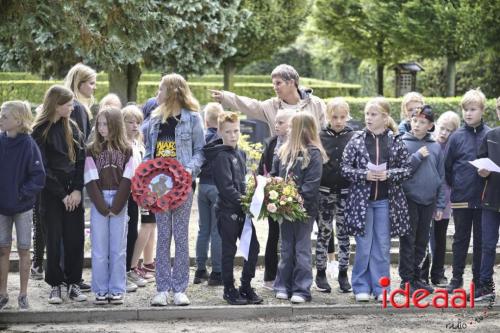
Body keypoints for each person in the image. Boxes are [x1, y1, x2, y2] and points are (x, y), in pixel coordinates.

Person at [341, 97, 411, 302]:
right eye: (367, 114)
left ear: (385, 117)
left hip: (386, 202)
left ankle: (382, 289)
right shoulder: (356, 139)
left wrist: (390, 174)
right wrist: (364, 175)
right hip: (362, 204)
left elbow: (407, 169)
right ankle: (361, 286)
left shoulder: (396, 140)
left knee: (382, 246)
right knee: (363, 246)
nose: (368, 118)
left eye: (373, 115)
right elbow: (344, 168)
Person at [144, 74, 205, 307]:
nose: (157, 94)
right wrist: (147, 179)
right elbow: (150, 153)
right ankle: (162, 288)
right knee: (162, 237)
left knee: (180, 236)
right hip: (159, 187)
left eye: (160, 90)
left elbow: (201, 150)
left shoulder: (193, 119)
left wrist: (188, 171)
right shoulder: (154, 119)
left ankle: (180, 288)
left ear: (173, 92)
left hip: (183, 187)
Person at [31, 85, 87, 304]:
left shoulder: (72, 127)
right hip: (51, 194)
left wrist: (76, 190)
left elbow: (81, 161)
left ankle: (74, 282)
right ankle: (55, 284)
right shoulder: (40, 131)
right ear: (56, 104)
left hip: (72, 192)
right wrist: (62, 194)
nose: (73, 107)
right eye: (69, 103)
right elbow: (42, 167)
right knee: (53, 239)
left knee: (75, 238)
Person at [204, 111, 261, 305]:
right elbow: (227, 188)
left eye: (236, 131)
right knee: (229, 251)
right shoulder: (220, 157)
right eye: (228, 132)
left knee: (253, 248)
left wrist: (254, 196)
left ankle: (246, 286)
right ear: (220, 132)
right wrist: (246, 203)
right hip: (228, 211)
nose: (233, 135)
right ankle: (229, 288)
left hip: (243, 210)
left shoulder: (240, 153)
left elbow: (242, 183)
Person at [272, 112, 326, 304]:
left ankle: (302, 289)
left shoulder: (313, 153)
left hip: (303, 210)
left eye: (292, 126)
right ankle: (282, 285)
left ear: (302, 129)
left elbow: (311, 187)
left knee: (302, 250)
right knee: (286, 248)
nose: (288, 129)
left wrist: (292, 198)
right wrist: (275, 189)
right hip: (284, 210)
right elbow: (274, 174)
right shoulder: (283, 151)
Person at [84, 107, 135, 305]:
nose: (101, 128)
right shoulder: (91, 149)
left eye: (105, 124)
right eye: (99, 124)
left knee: (118, 248)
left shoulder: (127, 149)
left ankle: (116, 288)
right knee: (99, 248)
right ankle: (100, 289)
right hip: (99, 199)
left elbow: (128, 178)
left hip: (119, 200)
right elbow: (90, 178)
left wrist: (117, 204)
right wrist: (102, 206)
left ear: (115, 125)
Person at [0, 101, 45, 310]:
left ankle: (23, 294)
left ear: (18, 120)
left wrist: (20, 195)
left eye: (4, 116)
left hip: (22, 207)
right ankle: (2, 293)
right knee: (3, 249)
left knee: (24, 249)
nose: (1, 119)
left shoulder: (28, 144)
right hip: (1, 207)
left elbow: (38, 176)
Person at [444, 88, 491, 292]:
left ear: (482, 111)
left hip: (483, 198)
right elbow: (448, 168)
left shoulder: (491, 135)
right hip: (462, 197)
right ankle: (456, 279)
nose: (468, 113)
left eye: (473, 109)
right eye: (465, 109)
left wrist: (487, 174)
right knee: (460, 239)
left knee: (481, 241)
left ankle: (479, 281)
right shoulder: (456, 137)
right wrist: (459, 184)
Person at [398, 105, 445, 294]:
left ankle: (417, 277)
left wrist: (440, 204)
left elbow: (441, 178)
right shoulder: (403, 143)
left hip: (429, 201)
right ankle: (406, 280)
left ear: (431, 125)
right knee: (408, 240)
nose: (417, 125)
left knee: (422, 240)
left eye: (422, 122)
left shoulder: (435, 147)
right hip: (409, 200)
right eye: (414, 120)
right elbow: (400, 173)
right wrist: (416, 157)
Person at [210, 64, 326, 135]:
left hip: (312, 164)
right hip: (283, 164)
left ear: (291, 82)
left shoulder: (316, 104)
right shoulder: (271, 106)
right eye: (273, 84)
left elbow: (327, 132)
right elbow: (248, 105)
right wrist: (225, 97)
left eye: (278, 83)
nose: (274, 87)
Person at [316, 97, 354, 294]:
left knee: (344, 234)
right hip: (324, 193)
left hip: (346, 194)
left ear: (347, 116)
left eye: (342, 117)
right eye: (334, 117)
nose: (338, 121)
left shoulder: (353, 136)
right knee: (323, 233)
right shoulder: (320, 136)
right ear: (328, 116)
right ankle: (321, 271)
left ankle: (343, 272)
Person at [420, 111, 461, 287]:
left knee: (439, 237)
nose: (444, 133)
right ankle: (422, 273)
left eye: (449, 130)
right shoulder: (429, 144)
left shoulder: (453, 148)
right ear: (436, 126)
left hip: (445, 199)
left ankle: (438, 273)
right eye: (442, 128)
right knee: (423, 237)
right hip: (427, 197)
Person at [257, 108, 295, 290]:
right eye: (276, 122)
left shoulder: (298, 144)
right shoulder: (272, 142)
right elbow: (262, 167)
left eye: (281, 122)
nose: (276, 125)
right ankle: (270, 277)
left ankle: (290, 277)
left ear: (291, 125)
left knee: (290, 240)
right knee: (273, 236)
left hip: (292, 198)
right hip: (274, 197)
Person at [194, 103, 224, 286]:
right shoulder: (222, 138)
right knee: (216, 231)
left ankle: (200, 270)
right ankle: (217, 272)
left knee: (202, 230)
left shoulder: (202, 138)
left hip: (202, 186)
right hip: (217, 186)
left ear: (205, 121)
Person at [120, 105, 149, 292]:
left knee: (133, 232)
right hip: (124, 193)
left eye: (138, 122)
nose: (134, 126)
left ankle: (129, 268)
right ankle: (121, 272)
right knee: (124, 233)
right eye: (130, 122)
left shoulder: (139, 144)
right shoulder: (121, 145)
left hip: (136, 193)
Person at [474, 97, 500, 302]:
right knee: (487, 245)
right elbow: (480, 165)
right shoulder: (491, 136)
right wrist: (482, 171)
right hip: (490, 200)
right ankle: (485, 286)